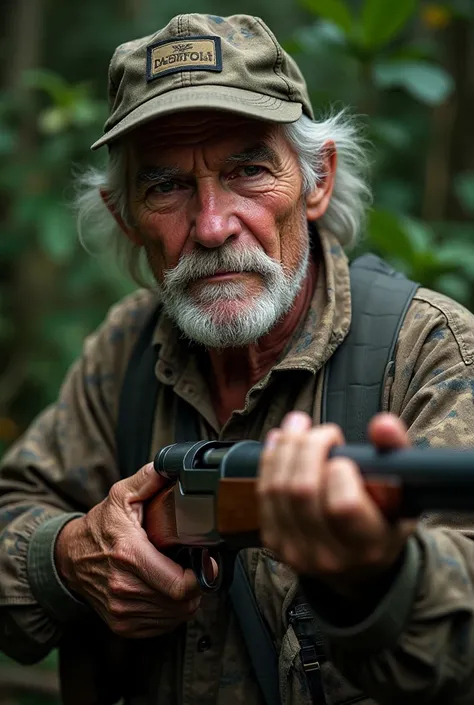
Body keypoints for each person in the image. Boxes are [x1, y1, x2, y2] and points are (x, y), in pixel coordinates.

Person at [1, 11, 474, 705]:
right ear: (126, 214)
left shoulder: (430, 347)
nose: (214, 225)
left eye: (249, 170)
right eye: (166, 186)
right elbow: (14, 509)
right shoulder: (126, 349)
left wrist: (377, 576)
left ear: (318, 181)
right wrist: (69, 556)